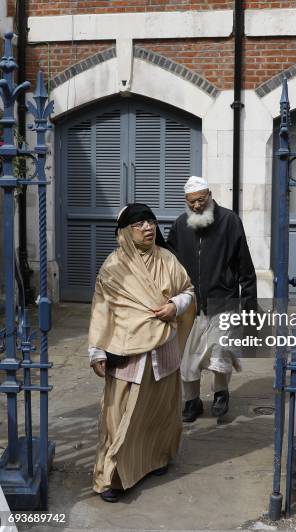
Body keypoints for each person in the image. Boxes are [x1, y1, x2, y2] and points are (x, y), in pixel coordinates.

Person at [88, 203, 195, 503]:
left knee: (160, 413)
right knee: (119, 417)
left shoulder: (168, 260)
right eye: (140, 224)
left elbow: (188, 290)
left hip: (164, 350)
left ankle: (157, 458)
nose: (149, 228)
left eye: (151, 222)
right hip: (127, 352)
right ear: (125, 232)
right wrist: (97, 350)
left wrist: (176, 305)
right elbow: (101, 310)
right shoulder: (113, 267)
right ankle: (112, 478)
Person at [167, 176, 257, 422]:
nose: (196, 206)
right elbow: (168, 262)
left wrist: (249, 308)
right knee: (188, 357)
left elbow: (245, 268)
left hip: (224, 300)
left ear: (209, 195)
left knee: (220, 351)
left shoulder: (229, 221)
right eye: (191, 202)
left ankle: (220, 394)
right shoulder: (179, 224)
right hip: (190, 304)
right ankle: (192, 401)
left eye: (200, 200)